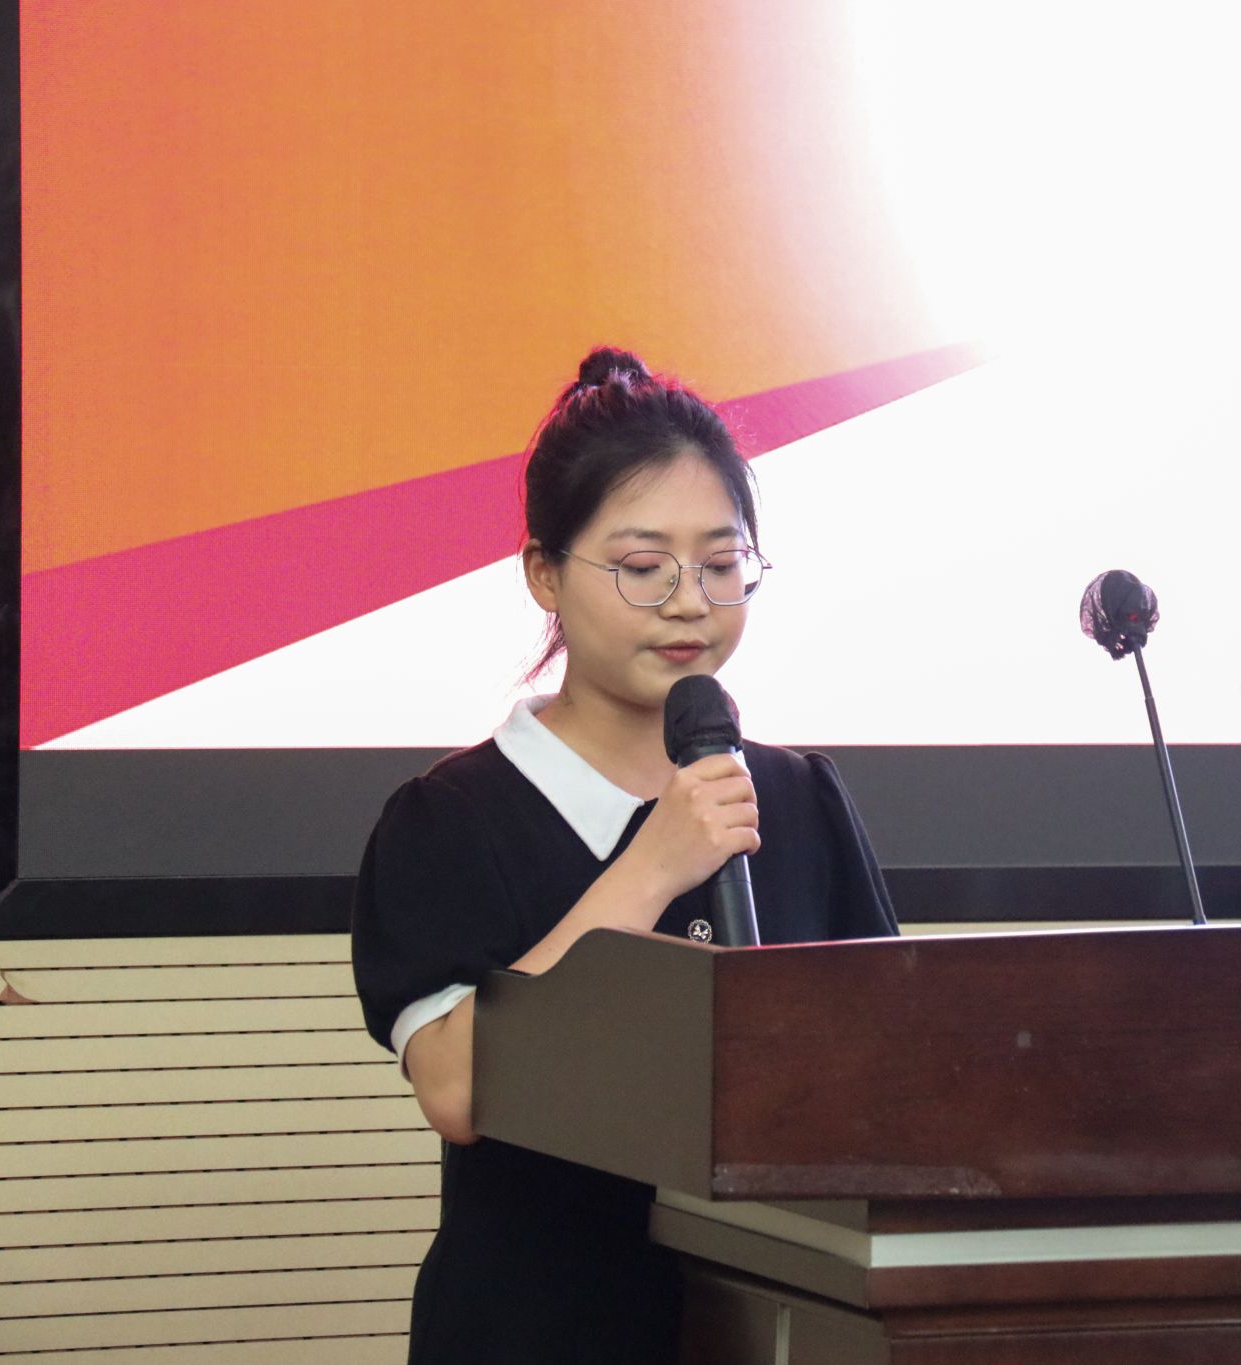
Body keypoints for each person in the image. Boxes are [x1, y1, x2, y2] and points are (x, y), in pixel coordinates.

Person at [350, 347, 900, 1364]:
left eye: (721, 565)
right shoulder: (450, 820)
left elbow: (890, 1068)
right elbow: (459, 1090)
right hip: (537, 1331)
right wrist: (652, 866)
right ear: (544, 573)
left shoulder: (800, 799)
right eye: (643, 569)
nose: (689, 602)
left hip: (783, 1326)